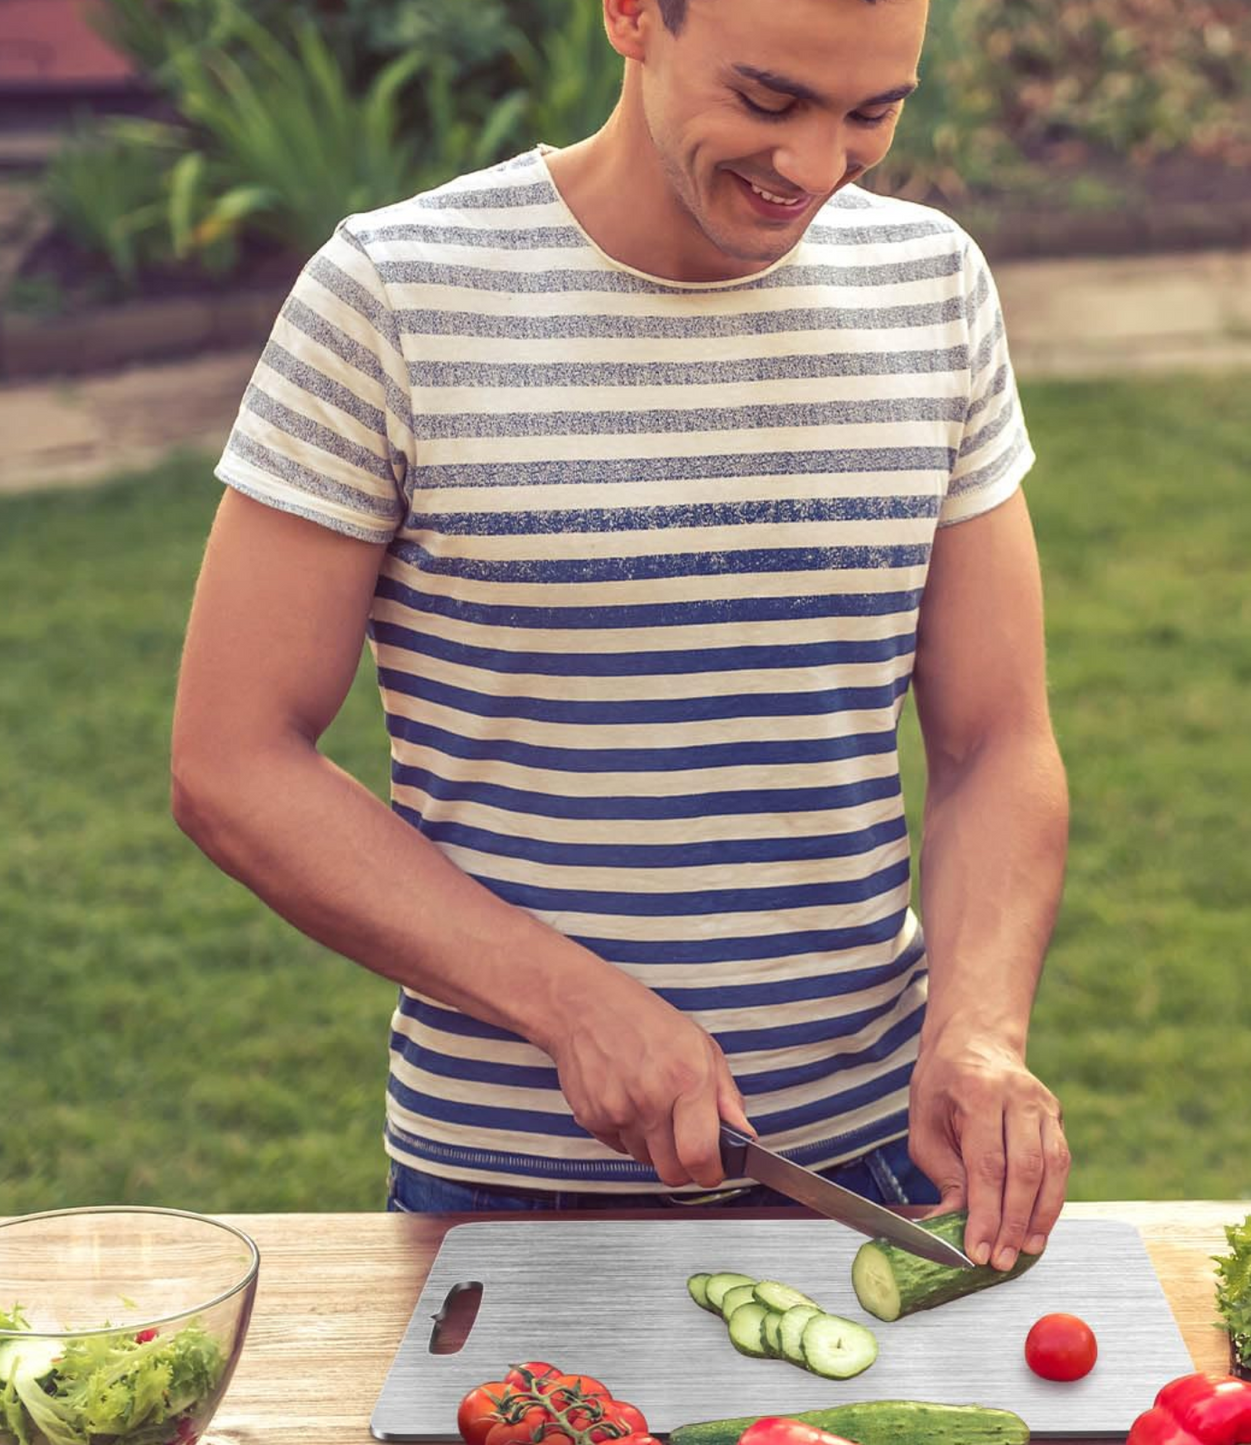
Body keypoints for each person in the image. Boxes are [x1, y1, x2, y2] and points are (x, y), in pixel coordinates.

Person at [171, 0, 1070, 1274]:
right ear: (632, 14)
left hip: (866, 1172)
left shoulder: (929, 285)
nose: (815, 166)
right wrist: (567, 999)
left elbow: (995, 740)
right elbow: (231, 758)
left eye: (871, 112)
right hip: (507, 1192)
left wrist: (976, 1032)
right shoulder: (393, 295)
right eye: (767, 100)